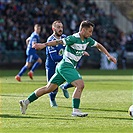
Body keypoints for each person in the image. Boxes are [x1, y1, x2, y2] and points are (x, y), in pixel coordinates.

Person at [19, 20, 117, 117]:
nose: (91, 34)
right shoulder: (74, 38)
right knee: (80, 85)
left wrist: (108, 56)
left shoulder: (87, 40)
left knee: (48, 88)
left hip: (63, 66)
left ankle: (26, 102)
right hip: (66, 65)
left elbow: (98, 45)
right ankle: (75, 110)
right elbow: (59, 41)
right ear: (83, 30)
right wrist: (44, 45)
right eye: (89, 31)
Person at [45, 20, 71, 107]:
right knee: (52, 88)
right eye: (58, 27)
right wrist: (67, 57)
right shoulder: (50, 40)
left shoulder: (64, 37)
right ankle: (52, 99)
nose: (61, 29)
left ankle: (64, 87)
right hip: (52, 67)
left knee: (75, 80)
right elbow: (54, 58)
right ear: (53, 28)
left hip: (63, 65)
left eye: (62, 27)